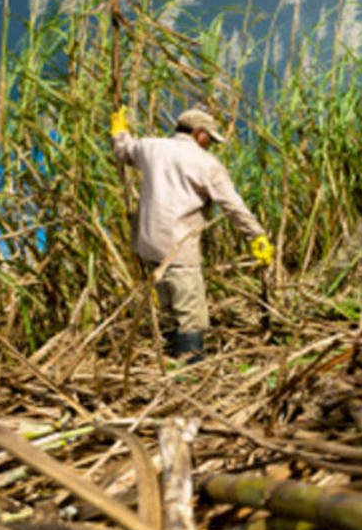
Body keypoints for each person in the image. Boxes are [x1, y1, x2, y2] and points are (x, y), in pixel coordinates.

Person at [110, 106, 274, 362]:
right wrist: (256, 235)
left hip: (148, 246)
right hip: (179, 249)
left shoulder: (150, 147)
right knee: (190, 316)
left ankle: (170, 361)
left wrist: (119, 131)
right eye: (210, 138)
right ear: (199, 134)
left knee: (168, 310)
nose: (210, 144)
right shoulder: (206, 163)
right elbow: (232, 205)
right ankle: (191, 372)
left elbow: (123, 151)